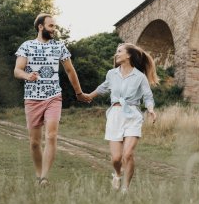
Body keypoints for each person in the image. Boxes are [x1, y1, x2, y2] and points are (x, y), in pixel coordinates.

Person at [14, 13, 91, 186]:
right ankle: (38, 173)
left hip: (53, 96)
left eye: (54, 26)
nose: (54, 29)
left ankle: (44, 178)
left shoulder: (59, 46)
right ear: (40, 27)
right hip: (32, 98)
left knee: (52, 136)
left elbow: (70, 71)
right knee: (34, 142)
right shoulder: (27, 46)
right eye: (51, 26)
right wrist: (28, 75)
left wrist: (79, 93)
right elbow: (17, 70)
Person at [85, 43, 159, 193]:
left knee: (128, 154)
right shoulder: (111, 73)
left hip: (133, 115)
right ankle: (117, 174)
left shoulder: (140, 77)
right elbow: (103, 87)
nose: (116, 54)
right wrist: (88, 96)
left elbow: (148, 96)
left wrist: (150, 109)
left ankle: (125, 189)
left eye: (119, 52)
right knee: (116, 158)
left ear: (129, 55)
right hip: (115, 116)